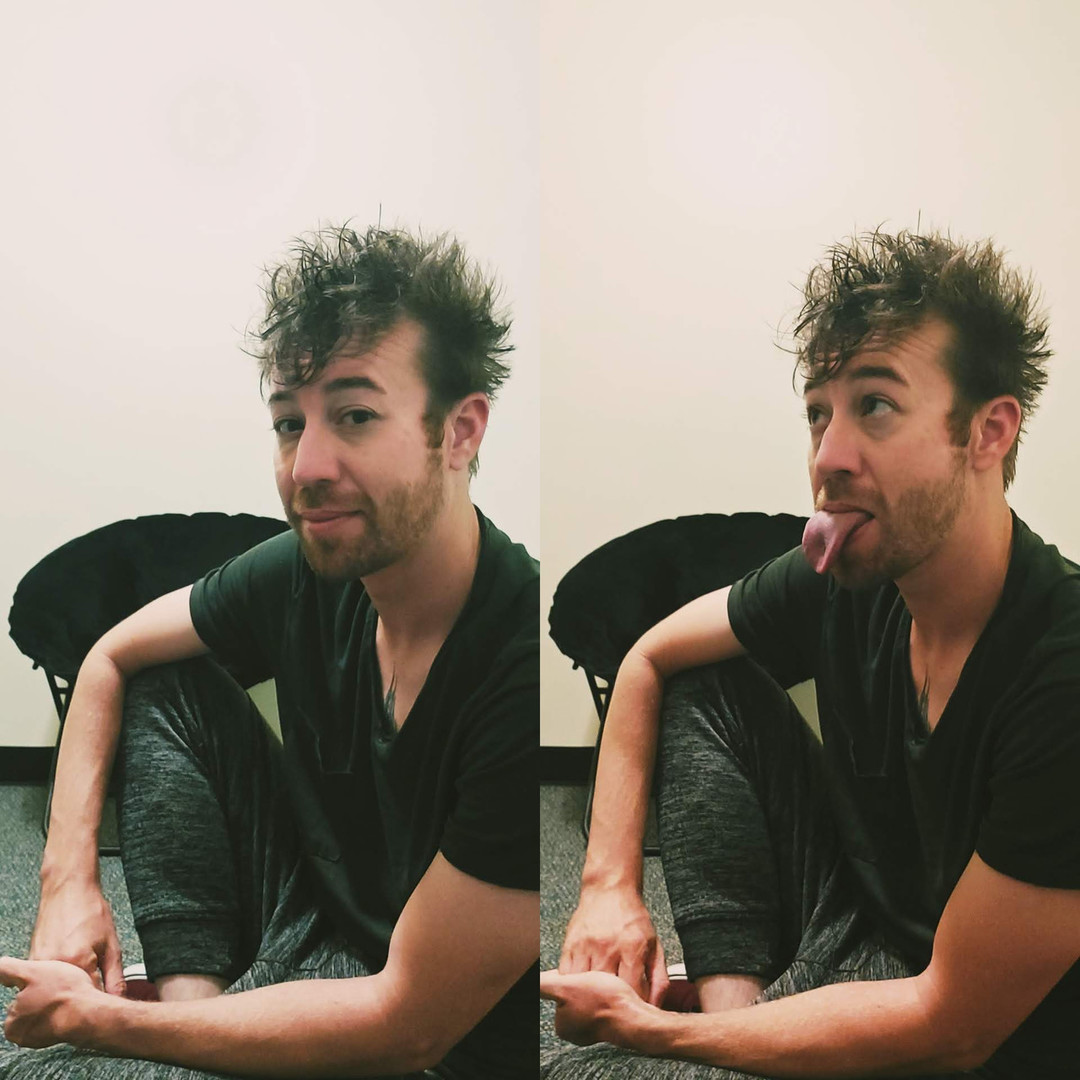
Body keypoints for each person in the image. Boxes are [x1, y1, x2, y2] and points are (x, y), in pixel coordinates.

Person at [0, 225, 540, 1080]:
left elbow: (410, 1024)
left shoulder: (518, 663)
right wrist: (67, 881)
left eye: (355, 415)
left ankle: (195, 1042)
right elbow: (108, 656)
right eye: (290, 423)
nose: (305, 467)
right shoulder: (303, 570)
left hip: (430, 1042)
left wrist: (103, 1024)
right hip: (316, 919)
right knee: (164, 678)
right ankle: (200, 1017)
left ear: (460, 431)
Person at [540, 229, 1080, 1079]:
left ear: (988, 432)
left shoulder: (1061, 668)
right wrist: (607, 885)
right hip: (864, 922)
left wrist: (656, 1035)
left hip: (979, 1033)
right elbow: (646, 657)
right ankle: (740, 1016)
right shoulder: (850, 574)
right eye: (818, 414)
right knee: (702, 679)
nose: (827, 458)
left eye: (876, 405)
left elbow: (956, 1023)